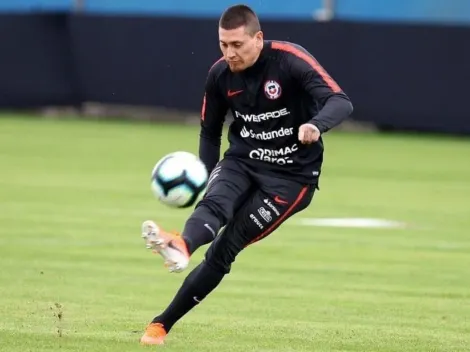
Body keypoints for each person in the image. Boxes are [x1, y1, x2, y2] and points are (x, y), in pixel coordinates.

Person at [139, 4, 353, 345]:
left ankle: (161, 323)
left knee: (225, 248)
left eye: (237, 45)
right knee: (214, 204)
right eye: (223, 44)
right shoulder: (220, 75)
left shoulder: (290, 60)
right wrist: (204, 178)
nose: (229, 53)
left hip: (291, 180)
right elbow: (210, 132)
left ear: (258, 38)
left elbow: (340, 101)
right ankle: (180, 244)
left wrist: (315, 124)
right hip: (243, 159)